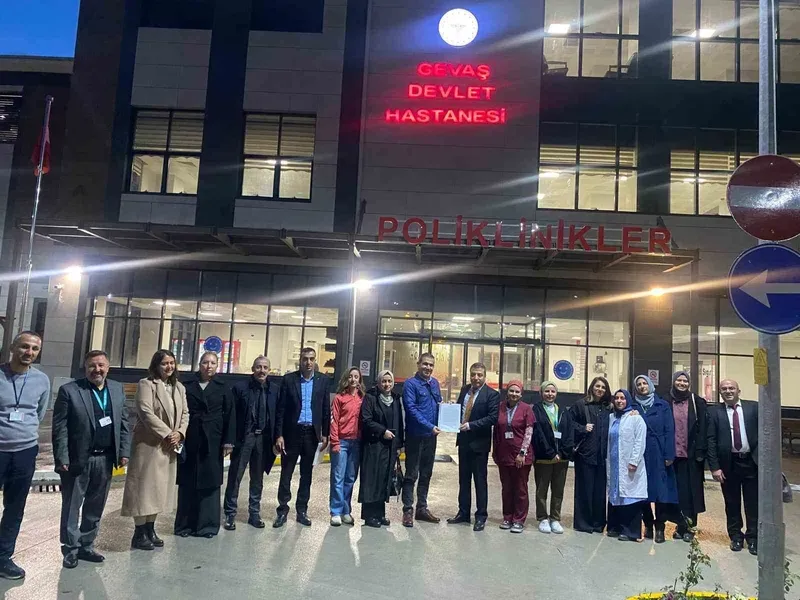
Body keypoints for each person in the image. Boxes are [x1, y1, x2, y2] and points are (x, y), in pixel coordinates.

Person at [53, 350, 131, 568]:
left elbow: (124, 423)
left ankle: (87, 545)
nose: (97, 370)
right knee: (72, 506)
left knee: (96, 505)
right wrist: (62, 457)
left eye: (101, 365)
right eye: (92, 366)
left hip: (106, 458)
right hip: (77, 459)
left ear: (108, 367)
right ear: (85, 368)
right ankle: (70, 548)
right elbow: (60, 428)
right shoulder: (70, 391)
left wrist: (124, 452)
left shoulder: (116, 389)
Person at [121, 349, 188, 550]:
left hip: (169, 446)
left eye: (172, 363)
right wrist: (167, 433)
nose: (169, 367)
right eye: (164, 363)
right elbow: (145, 412)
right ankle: (139, 533)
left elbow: (185, 413)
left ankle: (150, 529)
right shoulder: (146, 384)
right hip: (149, 445)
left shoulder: (179, 387)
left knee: (159, 490)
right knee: (143, 490)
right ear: (156, 366)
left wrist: (180, 433)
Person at [0, 332, 50, 579]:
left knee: (15, 507)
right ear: (13, 347)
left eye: (34, 349)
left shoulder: (41, 380)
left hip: (24, 453)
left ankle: (3, 557)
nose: (29, 352)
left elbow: (39, 413)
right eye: (24, 347)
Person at [175, 352, 234, 538]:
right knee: (187, 482)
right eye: (205, 362)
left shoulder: (223, 387)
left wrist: (229, 441)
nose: (209, 366)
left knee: (210, 482)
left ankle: (207, 526)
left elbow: (230, 415)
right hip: (190, 437)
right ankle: (185, 526)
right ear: (199, 364)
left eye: (213, 363)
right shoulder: (186, 385)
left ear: (217, 366)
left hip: (213, 439)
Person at [273, 347, 331, 527]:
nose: (308, 362)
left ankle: (302, 511)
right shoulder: (289, 380)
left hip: (311, 434)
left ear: (315, 360)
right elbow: (281, 409)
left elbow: (325, 409)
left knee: (306, 475)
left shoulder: (322, 381)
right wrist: (279, 434)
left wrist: (325, 434)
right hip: (292, 433)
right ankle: (282, 510)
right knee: (286, 473)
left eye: (311, 359)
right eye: (305, 359)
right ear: (300, 360)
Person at [224, 355, 278, 530]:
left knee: (257, 478)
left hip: (263, 439)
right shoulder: (240, 388)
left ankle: (254, 513)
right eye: (258, 367)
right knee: (235, 476)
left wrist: (278, 437)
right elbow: (231, 415)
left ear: (269, 370)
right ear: (253, 369)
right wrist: (229, 441)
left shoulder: (274, 390)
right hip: (244, 438)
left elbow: (278, 416)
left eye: (265, 367)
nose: (262, 370)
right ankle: (230, 514)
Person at [708, 379, 758, 555]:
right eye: (724, 389)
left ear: (738, 390)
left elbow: (765, 434)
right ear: (720, 393)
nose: (728, 391)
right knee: (731, 503)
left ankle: (753, 538)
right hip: (728, 465)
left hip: (752, 463)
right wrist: (714, 467)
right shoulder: (715, 412)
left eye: (731, 388)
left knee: (753, 503)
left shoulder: (754, 408)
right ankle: (736, 536)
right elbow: (711, 440)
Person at [447, 362, 499, 532]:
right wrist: (450, 409)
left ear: (485, 376)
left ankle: (481, 516)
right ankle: (463, 513)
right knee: (463, 480)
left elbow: (492, 418)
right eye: (473, 374)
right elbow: (459, 410)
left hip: (479, 445)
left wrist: (471, 425)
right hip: (463, 443)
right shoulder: (465, 390)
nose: (476, 378)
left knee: (480, 481)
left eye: (479, 375)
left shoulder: (492, 395)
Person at [632, 374, 678, 544]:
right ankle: (648, 524)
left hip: (658, 452)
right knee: (641, 491)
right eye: (639, 384)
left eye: (645, 383)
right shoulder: (632, 405)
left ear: (650, 385)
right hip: (640, 453)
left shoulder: (662, 405)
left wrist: (669, 454)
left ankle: (660, 527)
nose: (642, 386)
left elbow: (669, 430)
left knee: (661, 493)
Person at [401, 352, 442, 528]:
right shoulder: (410, 384)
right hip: (415, 436)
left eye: (431, 365)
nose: (428, 368)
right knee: (411, 474)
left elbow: (438, 405)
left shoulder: (435, 383)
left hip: (431, 437)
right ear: (418, 364)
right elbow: (411, 409)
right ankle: (407, 510)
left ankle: (422, 508)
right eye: (425, 364)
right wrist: (429, 426)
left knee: (426, 473)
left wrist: (446, 418)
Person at [359, 370, 404, 528]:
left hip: (389, 446)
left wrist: (399, 445)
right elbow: (366, 420)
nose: (386, 384)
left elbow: (399, 422)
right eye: (383, 381)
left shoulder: (395, 399)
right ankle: (369, 515)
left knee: (384, 479)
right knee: (372, 480)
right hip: (373, 445)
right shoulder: (370, 397)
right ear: (378, 383)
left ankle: (380, 514)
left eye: (389, 381)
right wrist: (382, 431)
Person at [668, 371, 708, 542]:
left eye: (685, 381)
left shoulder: (697, 402)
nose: (682, 383)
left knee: (692, 493)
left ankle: (690, 528)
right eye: (679, 380)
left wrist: (701, 453)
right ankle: (680, 525)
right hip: (673, 456)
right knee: (677, 492)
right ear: (673, 381)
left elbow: (704, 428)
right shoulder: (667, 401)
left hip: (692, 456)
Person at [570, 376, 612, 534]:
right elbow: (568, 423)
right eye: (597, 386)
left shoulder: (609, 407)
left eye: (603, 387)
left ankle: (598, 523)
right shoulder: (581, 405)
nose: (600, 389)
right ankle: (583, 523)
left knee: (600, 492)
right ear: (592, 387)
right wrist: (582, 428)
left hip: (603, 456)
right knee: (584, 490)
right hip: (585, 455)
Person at [493, 380, 535, 533]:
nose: (514, 394)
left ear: (521, 394)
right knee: (507, 488)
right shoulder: (500, 407)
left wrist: (522, 453)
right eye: (511, 391)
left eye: (517, 392)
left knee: (520, 489)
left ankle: (518, 519)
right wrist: (495, 451)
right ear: (507, 392)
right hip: (504, 455)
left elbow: (529, 433)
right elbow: (496, 432)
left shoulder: (526, 409)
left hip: (521, 457)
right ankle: (507, 517)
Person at [531, 381, 573, 535]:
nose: (550, 394)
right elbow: (538, 434)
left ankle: (555, 518)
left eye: (552, 391)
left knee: (558, 490)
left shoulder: (563, 410)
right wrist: (550, 453)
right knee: (541, 490)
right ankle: (542, 518)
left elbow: (569, 432)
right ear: (541, 393)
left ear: (556, 393)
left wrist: (562, 453)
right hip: (544, 457)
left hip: (561, 458)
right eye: (547, 391)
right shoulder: (536, 410)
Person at [606, 389, 648, 542]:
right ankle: (615, 527)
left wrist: (634, 461)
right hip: (614, 464)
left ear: (628, 400)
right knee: (615, 495)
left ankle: (630, 531)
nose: (619, 401)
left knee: (629, 497)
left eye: (622, 398)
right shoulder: (611, 417)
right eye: (616, 398)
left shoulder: (636, 418)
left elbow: (640, 441)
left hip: (629, 464)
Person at [329, 367, 365, 527]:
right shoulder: (339, 398)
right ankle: (335, 511)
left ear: (360, 380)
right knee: (338, 477)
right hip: (341, 442)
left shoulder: (362, 399)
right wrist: (335, 442)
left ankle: (346, 511)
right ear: (346, 379)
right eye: (350, 376)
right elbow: (333, 421)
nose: (353, 379)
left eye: (356, 376)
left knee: (350, 478)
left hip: (356, 443)